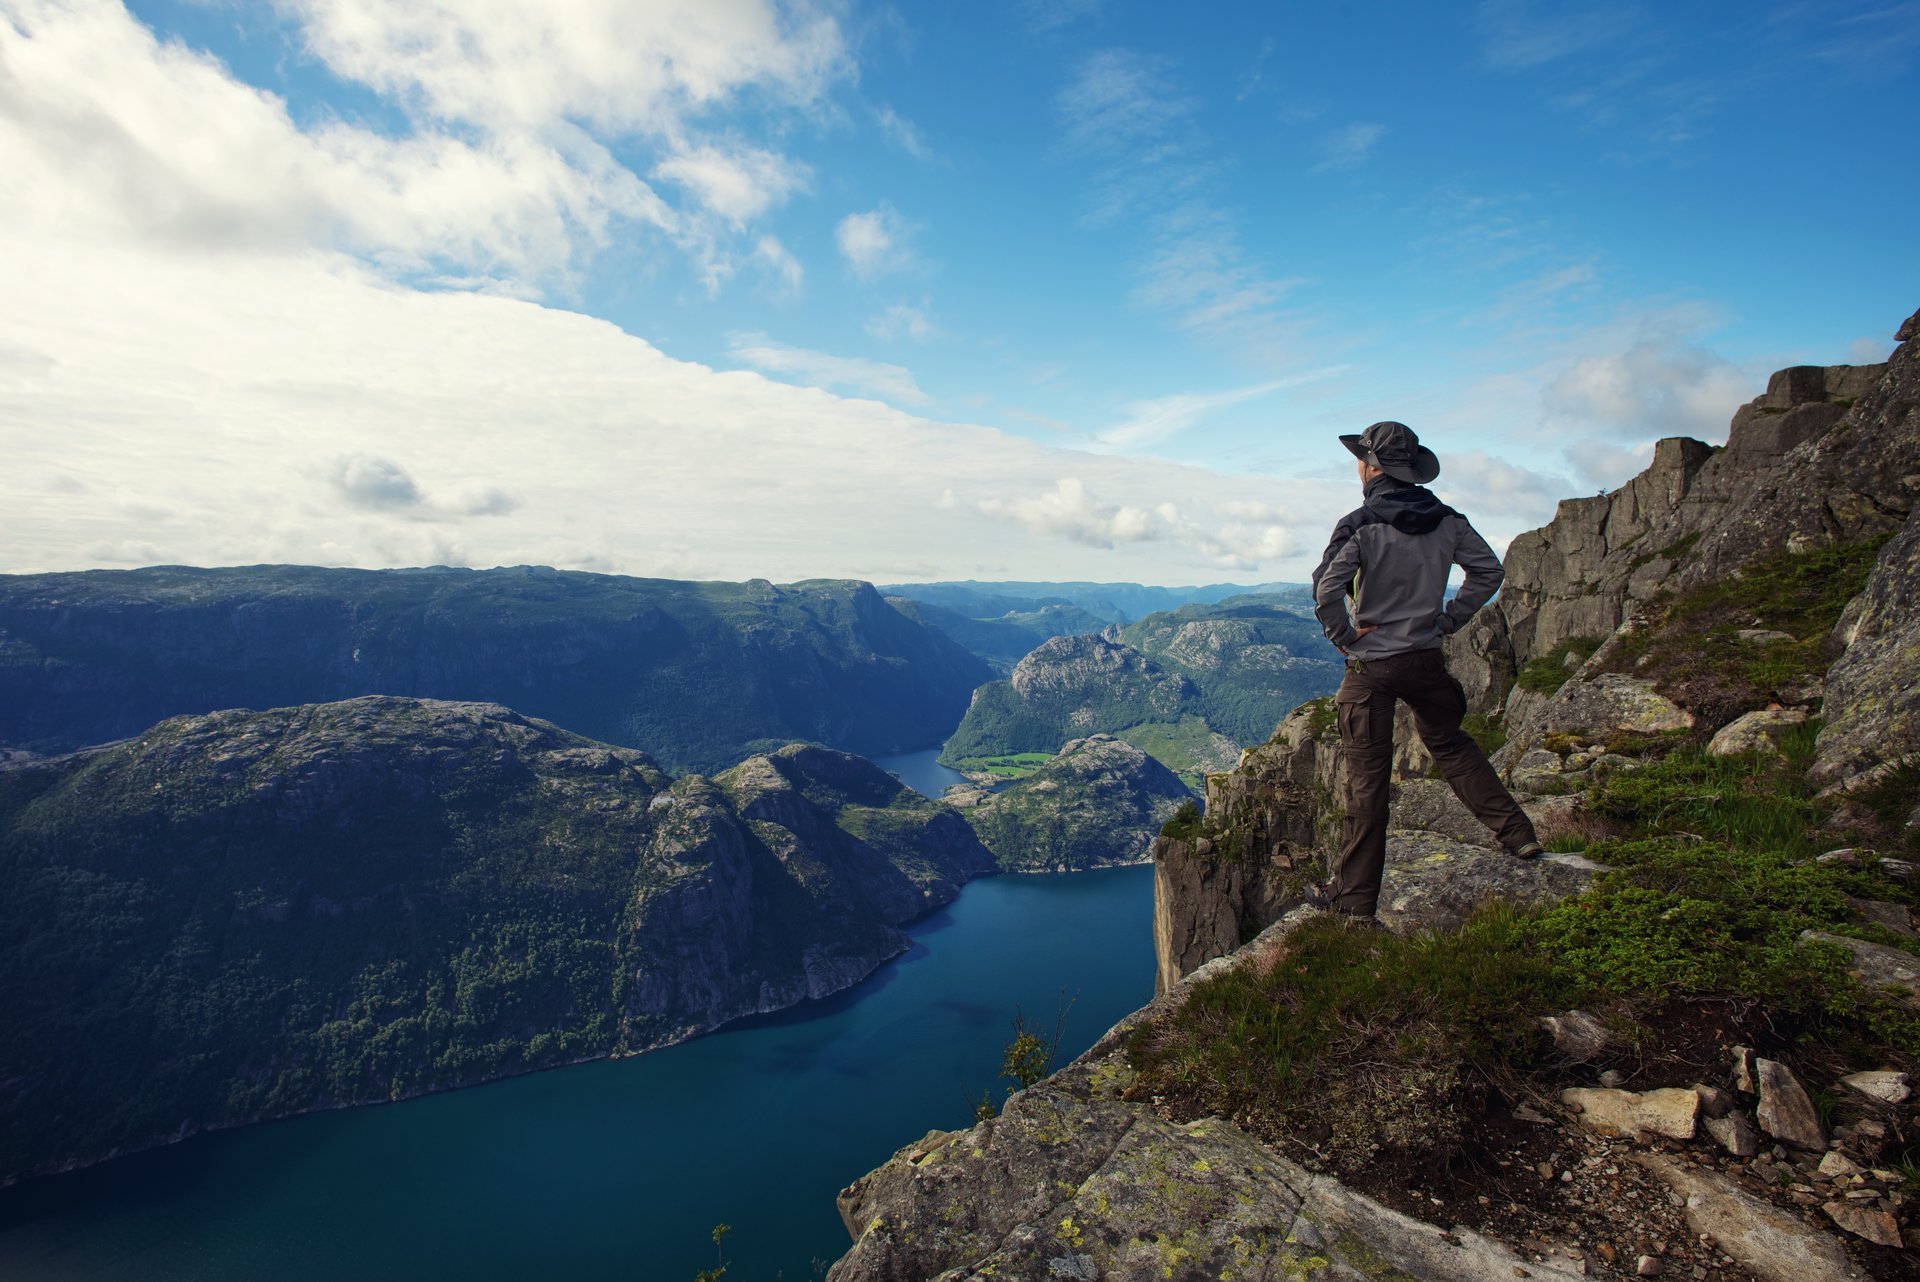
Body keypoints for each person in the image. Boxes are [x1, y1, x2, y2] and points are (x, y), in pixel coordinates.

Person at [1305, 420, 1543, 923]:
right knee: (1453, 747)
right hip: (1427, 659)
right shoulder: (1449, 521)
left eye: (1359, 459)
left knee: (1368, 784)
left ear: (1371, 466)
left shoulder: (1360, 523)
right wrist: (1449, 618)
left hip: (1373, 667)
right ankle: (1518, 836)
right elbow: (1489, 571)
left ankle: (1353, 902)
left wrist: (1345, 637)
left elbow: (1326, 589)